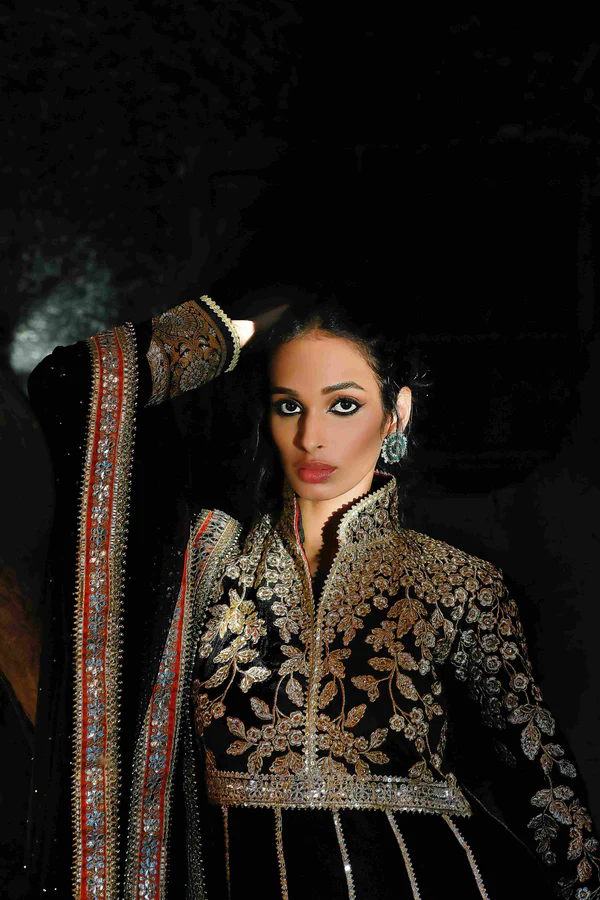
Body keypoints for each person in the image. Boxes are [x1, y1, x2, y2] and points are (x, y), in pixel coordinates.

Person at [23, 291, 599, 899]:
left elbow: (546, 790)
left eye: (343, 405)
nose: (311, 436)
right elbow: (67, 386)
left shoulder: (458, 581)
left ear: (397, 413)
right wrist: (229, 331)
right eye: (289, 406)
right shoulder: (205, 558)